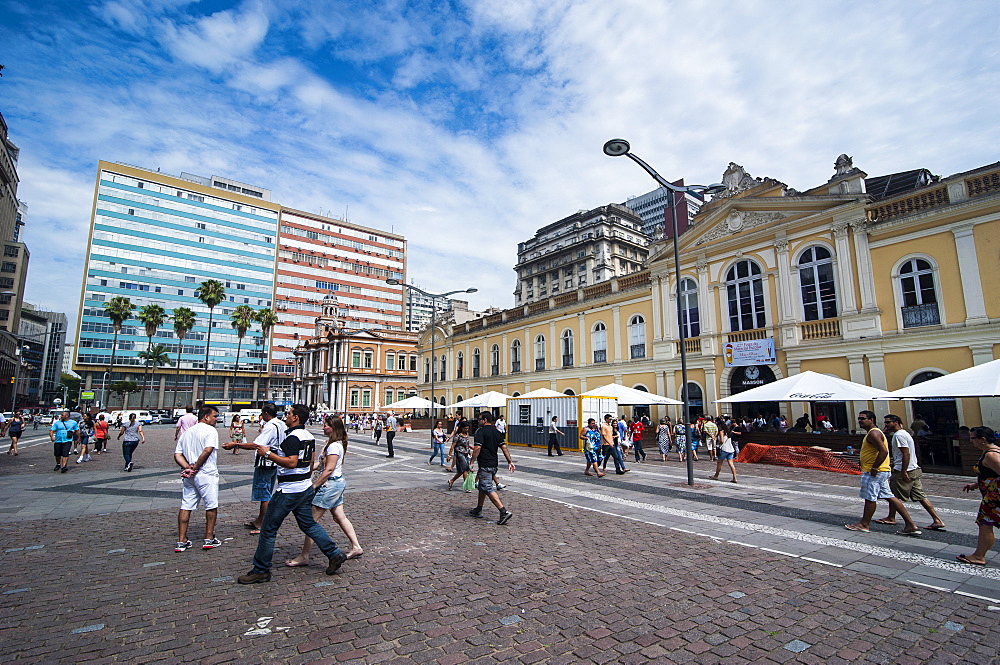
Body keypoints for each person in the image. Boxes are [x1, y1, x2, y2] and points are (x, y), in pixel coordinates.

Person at [237, 404, 348, 584]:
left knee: (268, 529)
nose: (285, 416)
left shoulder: (292, 438)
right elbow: (310, 461)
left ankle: (261, 569)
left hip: (289, 489)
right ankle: (334, 553)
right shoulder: (309, 436)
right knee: (309, 525)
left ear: (295, 418)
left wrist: (268, 454)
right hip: (304, 487)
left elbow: (290, 462)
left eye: (288, 414)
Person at [285, 415, 363, 566]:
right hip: (336, 483)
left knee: (312, 521)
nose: (323, 427)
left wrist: (314, 486)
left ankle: (304, 556)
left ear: (333, 428)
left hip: (330, 485)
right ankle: (356, 546)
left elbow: (328, 470)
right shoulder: (331, 443)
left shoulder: (334, 446)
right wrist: (304, 469)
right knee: (339, 516)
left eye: (326, 425)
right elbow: (321, 465)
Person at [845, 411, 921, 536]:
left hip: (875, 471)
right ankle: (910, 524)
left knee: (870, 497)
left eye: (863, 418)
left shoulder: (874, 433)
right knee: (890, 496)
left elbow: (883, 451)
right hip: (881, 471)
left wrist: (874, 468)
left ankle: (864, 524)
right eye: (859, 418)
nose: (860, 421)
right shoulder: (874, 433)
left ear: (871, 420)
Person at [875, 414, 946, 531]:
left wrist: (903, 471)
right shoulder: (904, 433)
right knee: (920, 496)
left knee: (892, 495)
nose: (886, 425)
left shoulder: (899, 436)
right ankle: (937, 520)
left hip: (905, 470)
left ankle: (894, 518)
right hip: (914, 469)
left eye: (888, 422)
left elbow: (905, 454)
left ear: (896, 422)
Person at [224, 403, 287, 534]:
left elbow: (257, 444)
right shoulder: (281, 424)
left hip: (266, 461)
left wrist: (236, 445)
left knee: (264, 493)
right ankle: (261, 519)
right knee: (268, 490)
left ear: (266, 414)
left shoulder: (270, 426)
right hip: (275, 460)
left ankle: (262, 523)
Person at [173, 405, 222, 552]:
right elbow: (208, 450)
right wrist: (196, 467)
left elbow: (177, 454)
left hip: (190, 476)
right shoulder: (211, 431)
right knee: (211, 505)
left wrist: (187, 467)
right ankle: (209, 538)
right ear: (206, 417)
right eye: (214, 416)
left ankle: (182, 540)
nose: (216, 419)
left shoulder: (187, 433)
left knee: (186, 505)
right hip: (206, 473)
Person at [957, 427, 1000, 566]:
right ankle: (979, 555)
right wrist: (976, 485)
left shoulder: (991, 455)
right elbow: (990, 474)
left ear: (983, 439)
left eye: (972, 438)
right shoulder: (992, 451)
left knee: (985, 524)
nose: (970, 441)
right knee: (985, 524)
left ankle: (979, 556)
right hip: (991, 496)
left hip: (994, 498)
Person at [468, 411, 515, 524]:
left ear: (484, 420)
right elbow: (504, 447)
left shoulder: (480, 432)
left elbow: (477, 448)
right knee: (482, 486)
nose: (478, 421)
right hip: (494, 464)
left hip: (485, 463)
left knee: (487, 487)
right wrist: (510, 461)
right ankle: (478, 509)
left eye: (479, 419)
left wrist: (472, 461)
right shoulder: (497, 432)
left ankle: (503, 511)